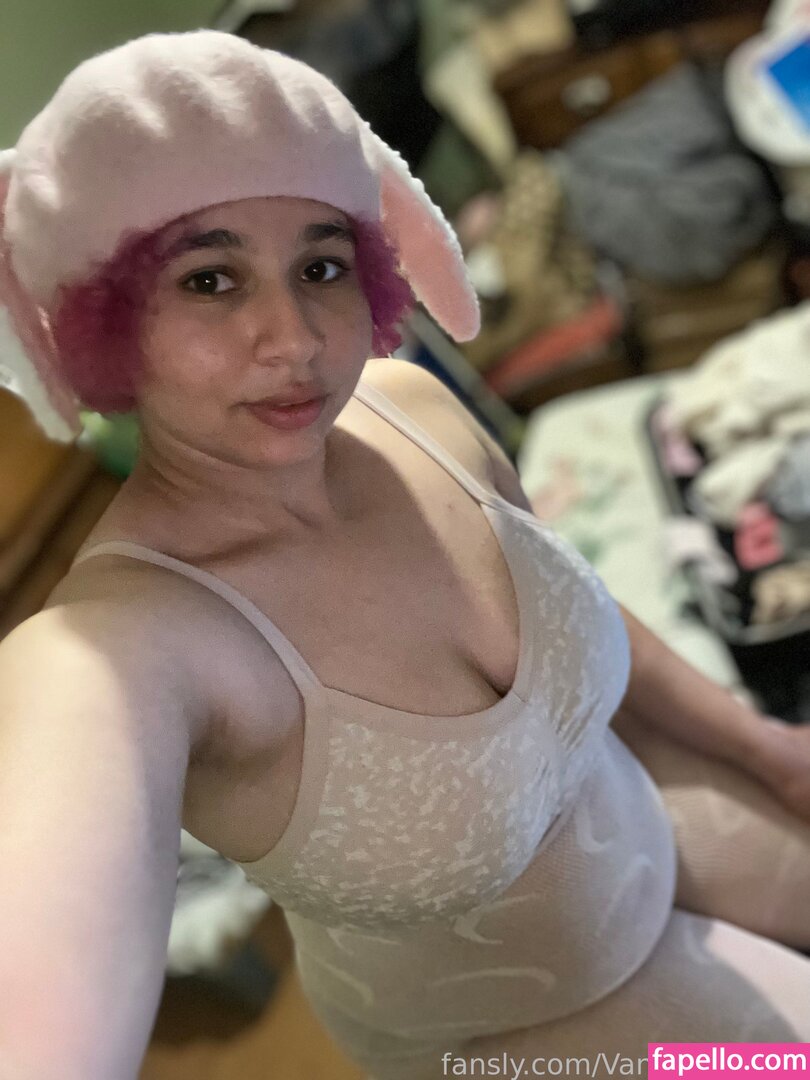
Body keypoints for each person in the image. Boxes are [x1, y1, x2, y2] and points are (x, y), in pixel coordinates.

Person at [0, 28, 809, 1080]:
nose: (295, 338)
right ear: (100, 315)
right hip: (510, 1046)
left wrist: (766, 747)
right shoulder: (126, 639)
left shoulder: (410, 403)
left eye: (321, 265)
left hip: (641, 826)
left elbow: (578, 602)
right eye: (209, 280)